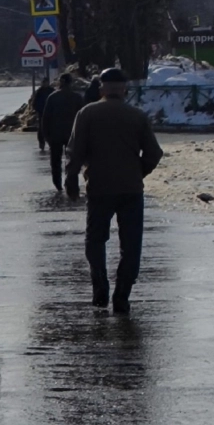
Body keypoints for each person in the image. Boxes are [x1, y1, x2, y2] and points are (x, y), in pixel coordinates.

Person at [65, 68, 163, 315]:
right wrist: (138, 171)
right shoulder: (137, 116)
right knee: (131, 245)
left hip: (99, 187)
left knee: (95, 240)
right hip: (131, 190)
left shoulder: (87, 114)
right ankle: (122, 296)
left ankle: (100, 286)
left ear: (101, 89)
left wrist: (72, 179)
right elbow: (154, 153)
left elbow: (75, 151)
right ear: (125, 89)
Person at [40, 73, 85, 191]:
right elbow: (83, 117)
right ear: (70, 83)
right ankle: (71, 181)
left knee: (55, 161)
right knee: (72, 160)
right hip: (72, 134)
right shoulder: (77, 97)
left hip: (55, 135)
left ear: (60, 82)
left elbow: (46, 118)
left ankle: (57, 183)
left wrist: (46, 135)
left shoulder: (52, 97)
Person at [32, 77, 54, 152]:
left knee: (51, 129)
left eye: (46, 82)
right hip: (42, 113)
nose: (45, 84)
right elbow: (34, 103)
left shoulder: (51, 91)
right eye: (44, 82)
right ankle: (42, 143)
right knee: (41, 129)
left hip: (51, 114)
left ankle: (51, 144)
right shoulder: (39, 92)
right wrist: (38, 110)